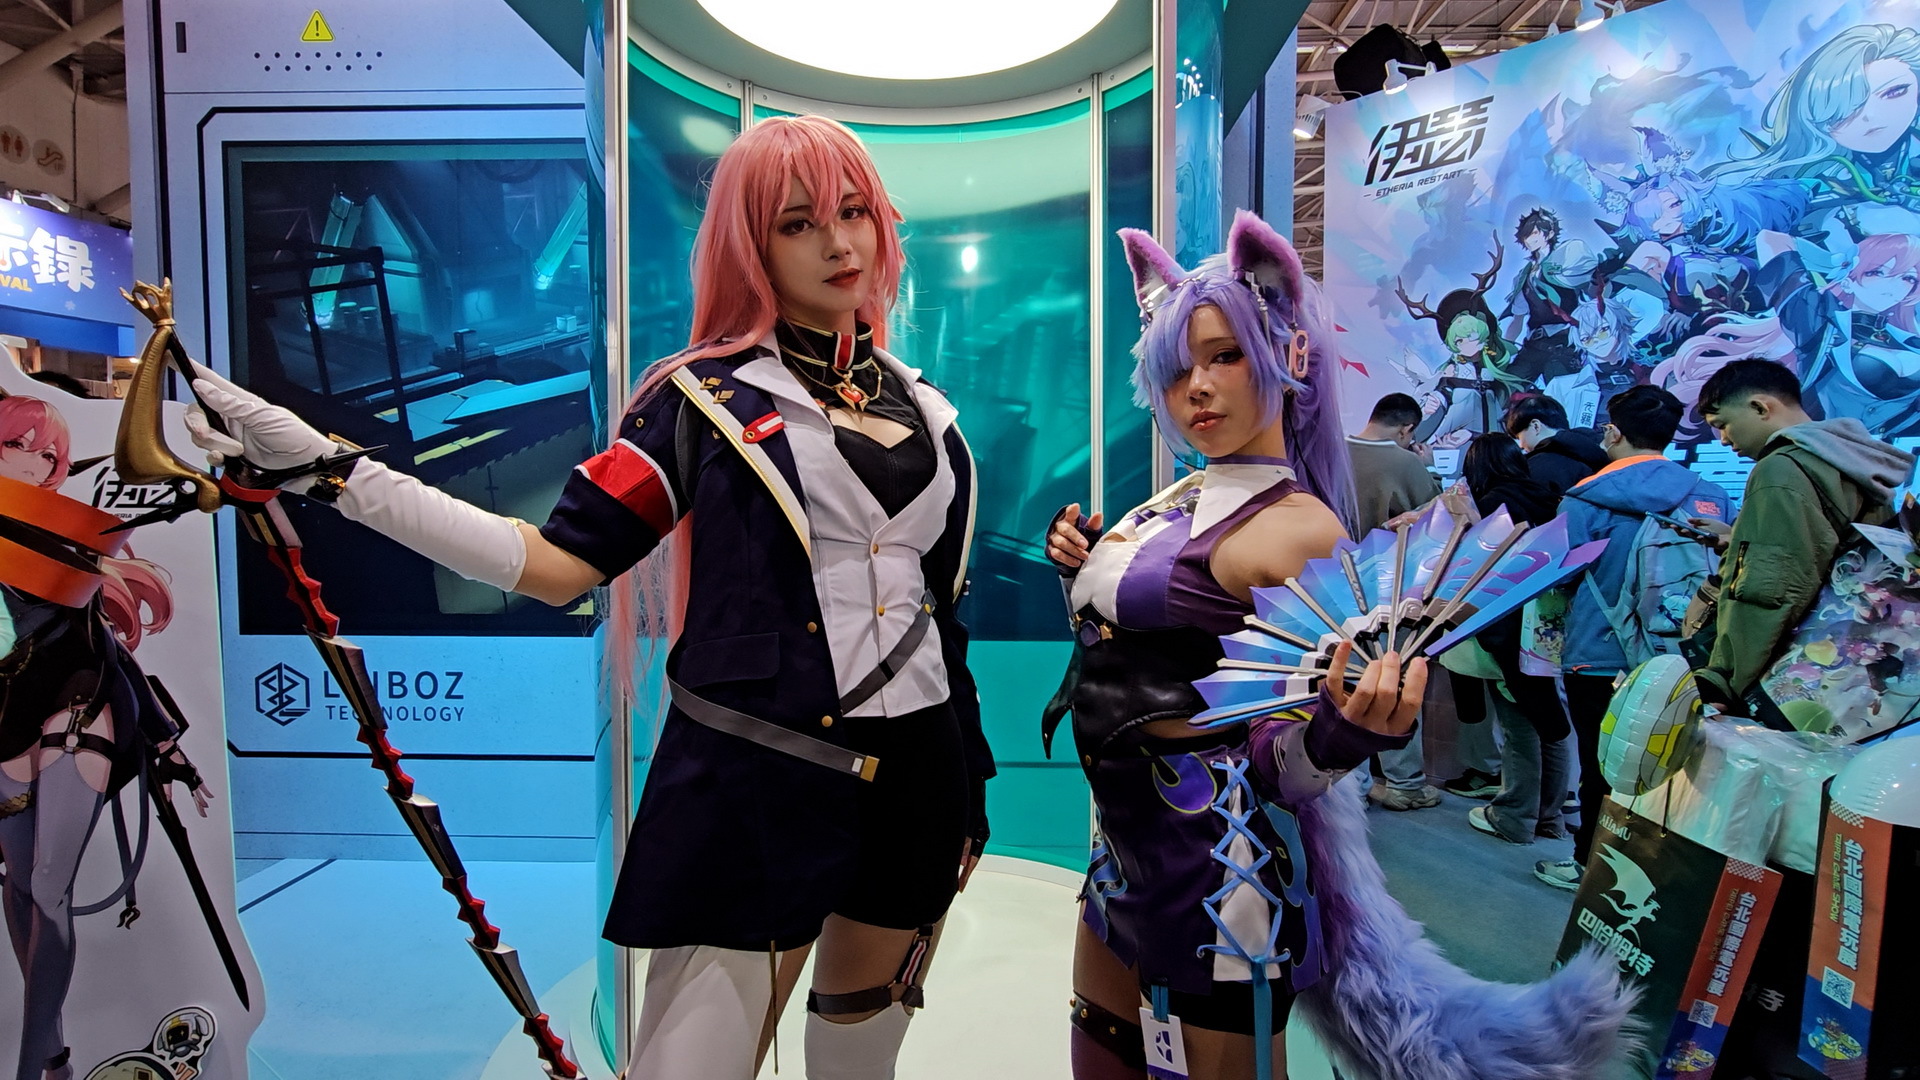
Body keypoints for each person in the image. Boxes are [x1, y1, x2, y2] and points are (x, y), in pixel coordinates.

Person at [183, 115, 992, 1080]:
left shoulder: (928, 409)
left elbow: (938, 614)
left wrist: (970, 778)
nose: (837, 242)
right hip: (759, 778)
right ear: (752, 245)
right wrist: (339, 475)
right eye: (798, 222)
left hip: (921, 777)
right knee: (690, 1067)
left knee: (863, 1044)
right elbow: (557, 562)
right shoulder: (699, 402)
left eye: (853, 212)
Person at [1042, 213, 1634, 1080]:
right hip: (1119, 851)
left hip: (1218, 868)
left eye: (1224, 356)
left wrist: (1343, 734)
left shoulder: (1299, 529)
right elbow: (1128, 650)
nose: (1196, 387)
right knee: (1100, 1053)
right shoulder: (1171, 499)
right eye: (1176, 368)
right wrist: (1082, 563)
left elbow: (1284, 768)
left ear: (1288, 353)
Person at [1, 393, 211, 1080]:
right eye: (15, 446)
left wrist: (165, 745)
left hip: (79, 705)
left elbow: (114, 652)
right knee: (21, 887)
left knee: (48, 885)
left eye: (45, 452)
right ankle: (53, 1057)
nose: (35, 462)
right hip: (8, 716)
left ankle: (35, 1066)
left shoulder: (71, 536)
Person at [1532, 386, 1731, 890]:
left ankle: (1591, 865)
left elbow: (1559, 575)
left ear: (1613, 432)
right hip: (1681, 657)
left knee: (1602, 765)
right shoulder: (1709, 495)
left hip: (1598, 651)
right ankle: (1657, 874)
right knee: (1672, 770)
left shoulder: (1585, 498)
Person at [1688, 359, 1915, 714]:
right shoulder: (1847, 457)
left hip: (1789, 675)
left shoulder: (1781, 468)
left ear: (1760, 407)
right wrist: (1737, 539)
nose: (1724, 440)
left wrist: (1725, 679)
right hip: (1855, 668)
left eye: (1723, 425)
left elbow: (1768, 591)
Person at [1453, 433, 1574, 847]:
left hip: (1507, 629)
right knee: (1550, 720)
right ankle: (1550, 816)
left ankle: (1515, 816)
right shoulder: (1549, 498)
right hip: (1547, 627)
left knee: (1518, 725)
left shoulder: (1491, 507)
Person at [1346, 394, 1444, 811]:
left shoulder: (1331, 452)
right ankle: (1405, 782)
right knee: (1395, 680)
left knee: (1341, 680)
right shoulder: (1406, 463)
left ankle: (1349, 783)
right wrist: (1429, 467)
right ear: (1407, 429)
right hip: (1388, 591)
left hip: (1330, 586)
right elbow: (1436, 519)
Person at [1503, 393, 1608, 503]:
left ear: (1536, 426)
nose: (1521, 445)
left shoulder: (1537, 467)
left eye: (1519, 437)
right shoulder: (1598, 452)